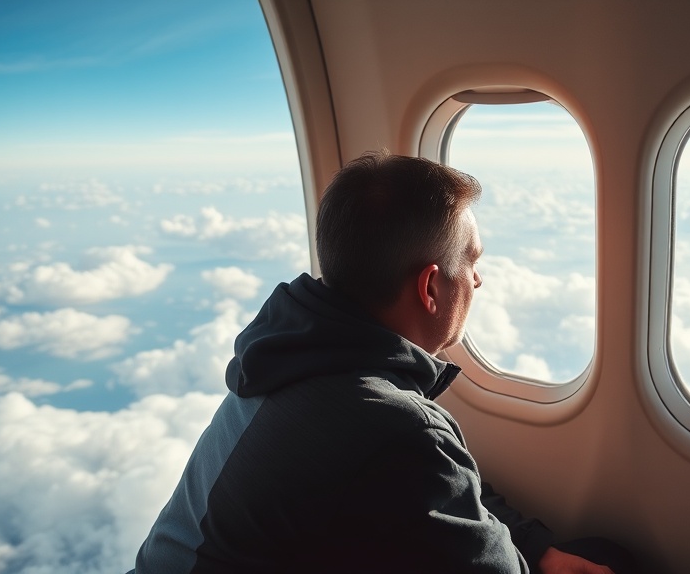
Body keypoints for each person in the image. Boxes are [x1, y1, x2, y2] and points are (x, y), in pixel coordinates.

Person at [130, 151, 636, 573]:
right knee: (611, 558)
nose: (477, 281)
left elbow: (423, 490)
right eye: (473, 261)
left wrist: (534, 545)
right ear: (430, 287)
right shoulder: (394, 427)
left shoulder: (284, 355)